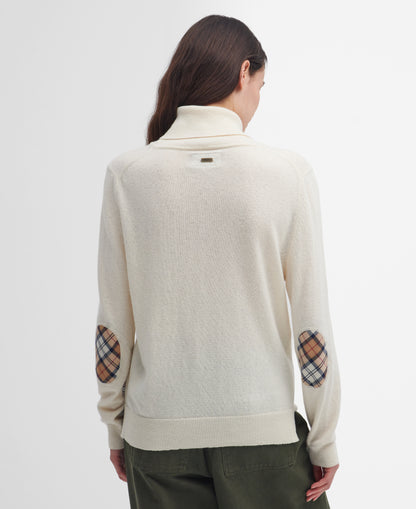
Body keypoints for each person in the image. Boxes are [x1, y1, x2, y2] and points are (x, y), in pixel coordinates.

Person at [94, 14, 341, 509]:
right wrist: (324, 438)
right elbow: (311, 327)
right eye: (261, 87)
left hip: (156, 438)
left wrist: (115, 424)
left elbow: (112, 327)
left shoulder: (128, 175)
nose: (256, 103)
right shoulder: (287, 174)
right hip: (263, 435)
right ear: (243, 72)